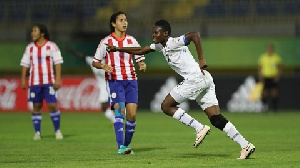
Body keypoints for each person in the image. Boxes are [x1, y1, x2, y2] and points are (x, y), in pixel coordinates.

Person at [106, 19, 255, 159]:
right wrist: (117, 48)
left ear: (165, 34)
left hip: (195, 79)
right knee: (216, 119)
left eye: (156, 32)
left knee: (166, 106)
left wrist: (201, 58)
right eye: (153, 32)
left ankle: (199, 128)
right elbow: (140, 50)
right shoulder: (160, 46)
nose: (153, 34)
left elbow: (194, 35)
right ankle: (245, 145)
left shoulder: (172, 42)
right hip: (204, 79)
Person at [92, 11, 147, 154]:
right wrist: (103, 66)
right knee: (120, 111)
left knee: (132, 115)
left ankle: (127, 145)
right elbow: (95, 62)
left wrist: (142, 64)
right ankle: (120, 146)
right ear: (113, 24)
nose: (125, 23)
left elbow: (140, 56)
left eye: (126, 20)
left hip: (131, 80)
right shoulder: (106, 42)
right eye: (121, 20)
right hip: (115, 80)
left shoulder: (132, 40)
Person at [20, 24, 63, 140]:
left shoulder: (52, 46)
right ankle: (37, 133)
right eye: (32, 31)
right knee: (36, 106)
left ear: (42, 33)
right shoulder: (30, 47)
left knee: (52, 105)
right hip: (34, 82)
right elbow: (25, 64)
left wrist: (58, 79)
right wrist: (23, 79)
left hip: (49, 82)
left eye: (35, 31)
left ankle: (57, 131)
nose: (32, 33)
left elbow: (58, 62)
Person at [63, 46, 115, 123]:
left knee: (117, 105)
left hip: (113, 85)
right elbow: (81, 56)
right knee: (104, 107)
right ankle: (115, 120)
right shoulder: (92, 61)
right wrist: (71, 50)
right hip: (103, 87)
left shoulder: (109, 62)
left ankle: (121, 121)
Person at [258, 44, 282, 112]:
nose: (269, 50)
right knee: (264, 93)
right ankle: (264, 108)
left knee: (274, 93)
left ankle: (275, 109)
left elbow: (280, 68)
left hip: (273, 77)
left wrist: (278, 76)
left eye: (271, 49)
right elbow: (260, 68)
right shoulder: (263, 57)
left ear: (273, 49)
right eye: (268, 49)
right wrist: (260, 76)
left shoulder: (276, 57)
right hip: (265, 77)